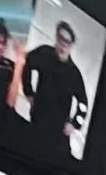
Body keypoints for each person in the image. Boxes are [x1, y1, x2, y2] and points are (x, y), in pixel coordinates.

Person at [18, 18, 92, 155]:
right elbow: (27, 63)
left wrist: (75, 125)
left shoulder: (74, 73)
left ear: (71, 45)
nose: (63, 45)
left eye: (67, 42)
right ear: (56, 38)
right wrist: (28, 92)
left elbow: (83, 103)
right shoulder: (44, 53)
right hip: (38, 120)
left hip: (59, 130)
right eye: (61, 39)